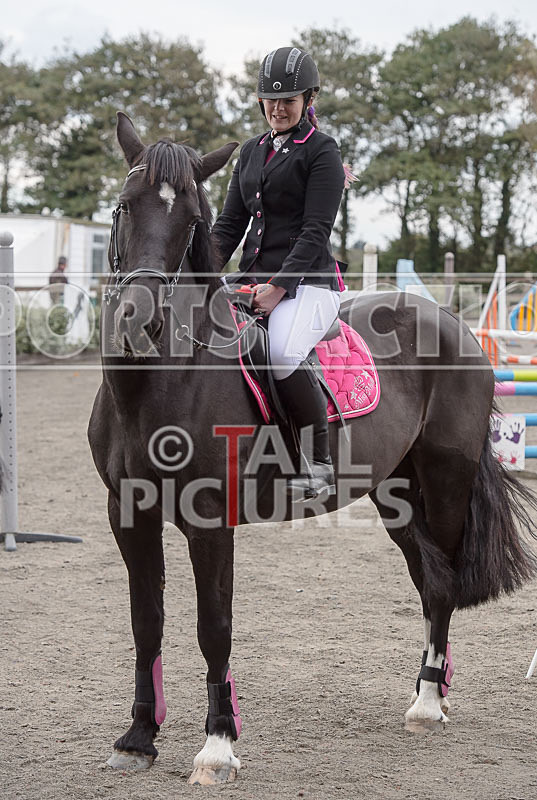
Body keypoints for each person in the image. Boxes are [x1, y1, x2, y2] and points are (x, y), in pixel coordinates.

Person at [211, 46, 346, 499]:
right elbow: (229, 226)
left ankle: (320, 462)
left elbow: (314, 232)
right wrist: (195, 273)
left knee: (284, 352)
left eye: (289, 99)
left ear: (309, 99)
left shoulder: (322, 151)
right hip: (252, 280)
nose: (279, 108)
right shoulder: (251, 152)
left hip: (309, 284)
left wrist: (277, 288)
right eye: (271, 100)